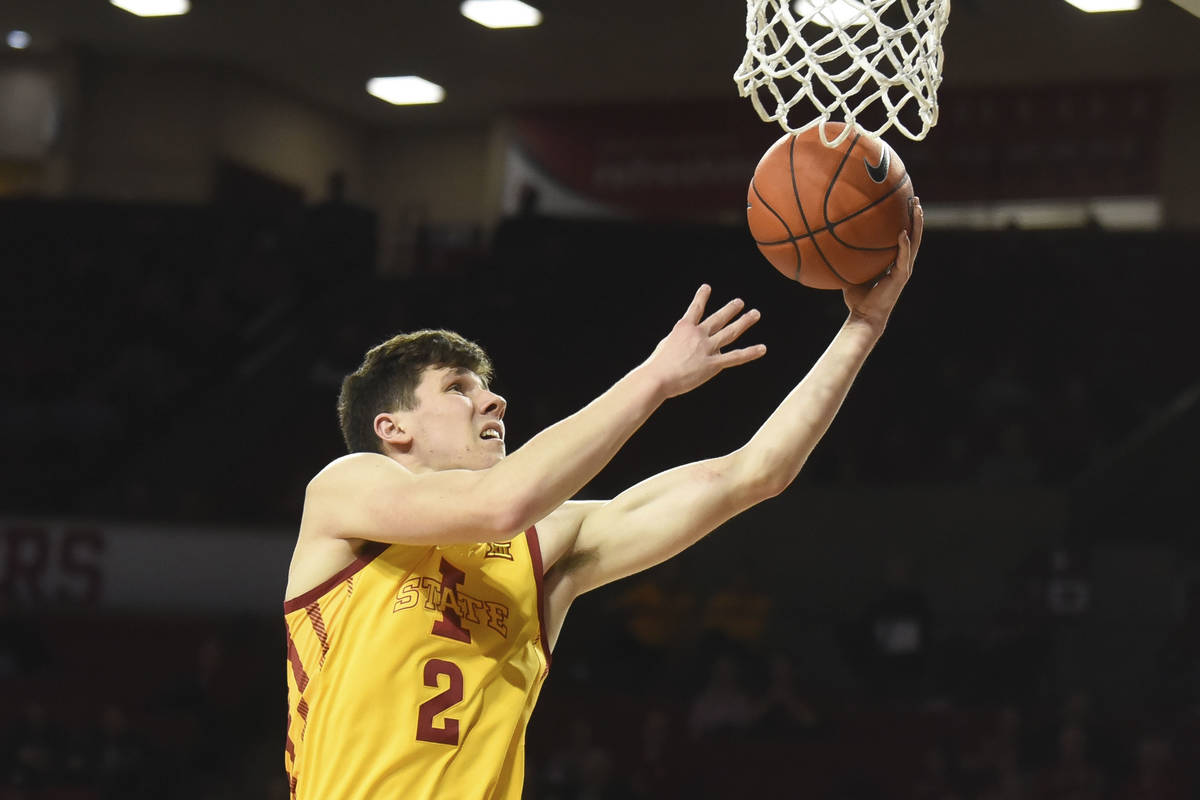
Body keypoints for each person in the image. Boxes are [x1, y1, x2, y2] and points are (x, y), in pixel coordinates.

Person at [282, 203, 924, 799]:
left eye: (488, 388)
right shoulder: (346, 488)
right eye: (458, 388)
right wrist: (654, 377)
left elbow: (753, 475)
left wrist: (863, 327)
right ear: (393, 427)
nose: (493, 401)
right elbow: (501, 502)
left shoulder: (545, 547)